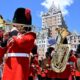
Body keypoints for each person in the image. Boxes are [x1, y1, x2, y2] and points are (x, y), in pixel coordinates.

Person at [0, 7, 36, 80]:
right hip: (8, 68)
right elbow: (1, 53)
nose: (15, 26)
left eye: (17, 24)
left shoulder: (30, 35)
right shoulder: (12, 37)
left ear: (23, 24)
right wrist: (4, 42)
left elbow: (21, 42)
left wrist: (14, 34)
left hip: (19, 68)